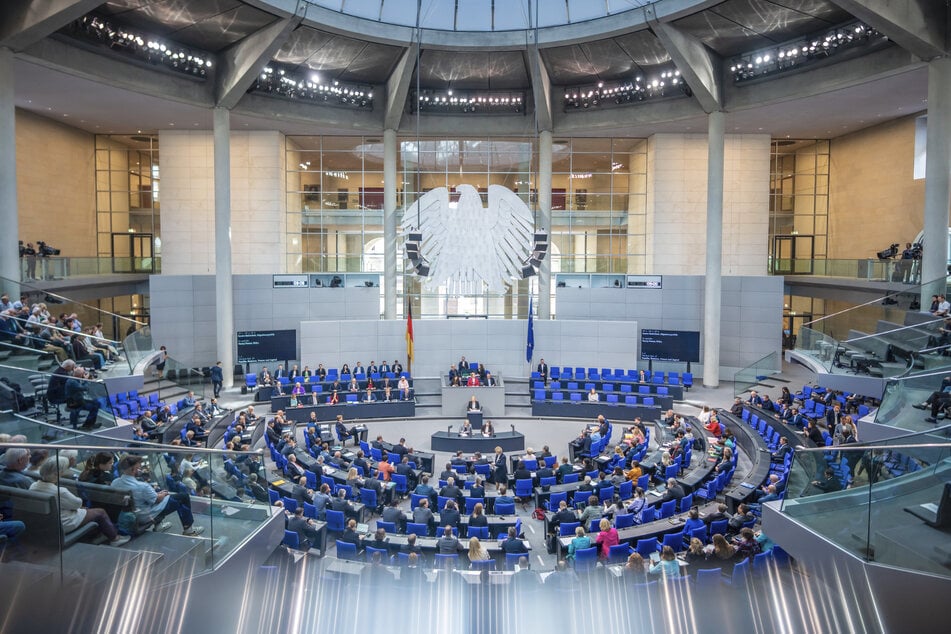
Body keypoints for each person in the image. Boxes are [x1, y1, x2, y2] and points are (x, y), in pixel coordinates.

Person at [31, 457, 131, 546]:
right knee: (100, 512)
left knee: (88, 510)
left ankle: (102, 533)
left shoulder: (33, 486)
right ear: (58, 473)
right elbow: (78, 503)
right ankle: (115, 538)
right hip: (64, 522)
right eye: (63, 470)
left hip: (46, 522)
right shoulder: (60, 491)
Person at [112, 456, 204, 536]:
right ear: (133, 470)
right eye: (138, 468)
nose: (140, 470)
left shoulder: (115, 482)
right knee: (183, 497)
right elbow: (157, 499)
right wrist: (162, 494)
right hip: (144, 516)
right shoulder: (142, 486)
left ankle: (159, 526)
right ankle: (189, 530)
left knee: (156, 493)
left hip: (128, 514)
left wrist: (157, 494)